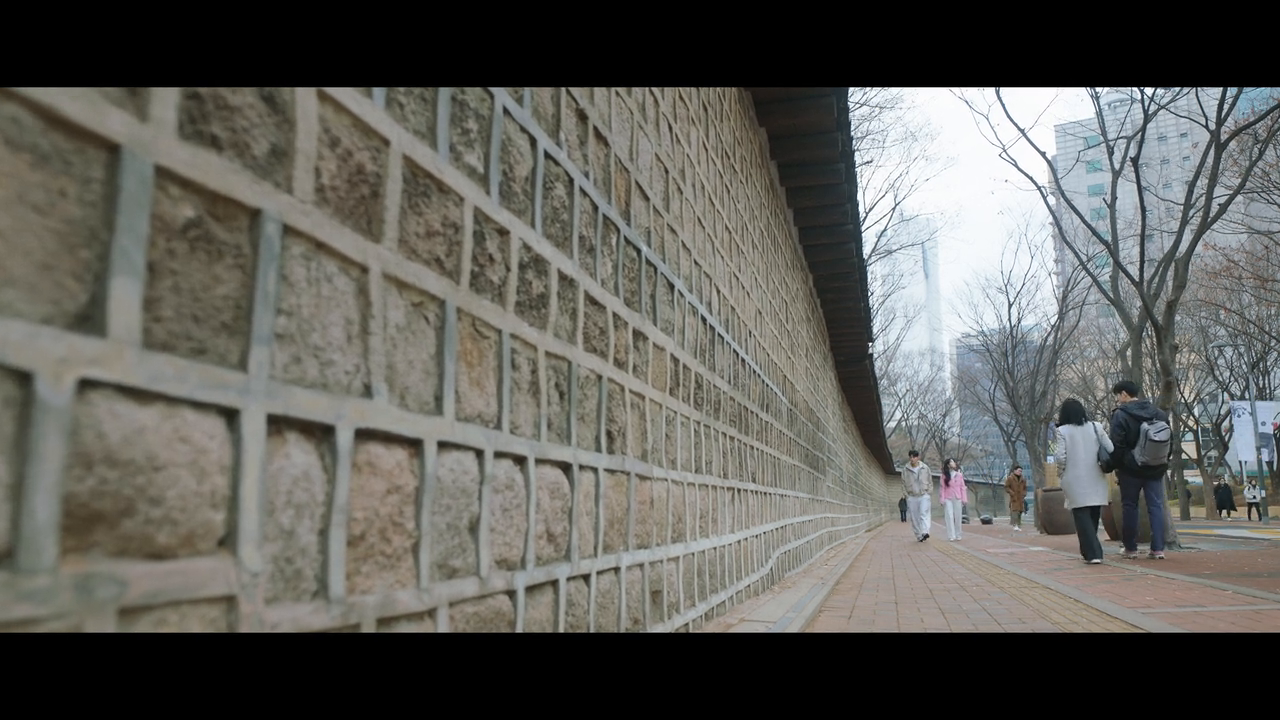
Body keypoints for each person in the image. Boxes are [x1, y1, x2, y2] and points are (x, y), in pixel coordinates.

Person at [1109, 380, 1171, 560]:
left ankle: (1131, 548)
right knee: (1156, 506)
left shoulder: (1121, 415)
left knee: (1130, 506)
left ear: (1124, 394)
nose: (1118, 399)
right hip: (1156, 468)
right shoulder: (1158, 413)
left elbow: (1117, 445)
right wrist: (1162, 461)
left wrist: (1117, 465)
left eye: (1117, 395)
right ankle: (1158, 549)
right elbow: (1169, 440)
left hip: (1130, 470)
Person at [1054, 398, 1114, 565]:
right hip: (1096, 476)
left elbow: (1060, 457)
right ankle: (1090, 551)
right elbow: (1110, 448)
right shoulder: (1096, 426)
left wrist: (1061, 473)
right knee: (1093, 514)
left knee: (1081, 516)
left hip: (1073, 478)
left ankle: (1093, 553)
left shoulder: (1062, 431)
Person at [901, 450, 932, 542]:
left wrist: (929, 492)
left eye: (914, 457)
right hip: (912, 496)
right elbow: (903, 483)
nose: (912, 459)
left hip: (924, 494)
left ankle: (925, 531)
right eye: (910, 457)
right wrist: (906, 495)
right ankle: (919, 535)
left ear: (918, 457)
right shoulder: (905, 469)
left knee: (923, 513)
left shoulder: (925, 468)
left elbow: (930, 480)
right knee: (914, 517)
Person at [939, 458, 968, 541]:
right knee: (949, 516)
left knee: (958, 516)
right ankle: (951, 535)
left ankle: (958, 534)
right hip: (948, 498)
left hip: (957, 497)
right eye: (952, 462)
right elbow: (942, 488)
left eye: (954, 462)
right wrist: (942, 499)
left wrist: (964, 499)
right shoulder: (944, 476)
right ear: (948, 465)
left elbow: (962, 487)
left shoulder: (959, 475)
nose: (954, 463)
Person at [1005, 465, 1026, 531]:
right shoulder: (1010, 478)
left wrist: (1024, 494)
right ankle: (1015, 524)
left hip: (1020, 498)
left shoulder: (1023, 479)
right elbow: (1006, 487)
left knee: (1020, 511)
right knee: (1015, 511)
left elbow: (1025, 488)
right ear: (1015, 471)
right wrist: (1012, 493)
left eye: (1021, 471)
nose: (1020, 472)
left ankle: (1019, 525)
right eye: (1019, 471)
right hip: (1014, 497)